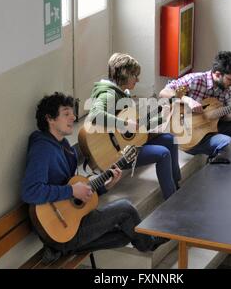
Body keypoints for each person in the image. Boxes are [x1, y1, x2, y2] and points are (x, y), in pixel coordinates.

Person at [21, 92, 167, 262]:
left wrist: (106, 186)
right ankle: (149, 244)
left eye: (73, 113)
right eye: (66, 114)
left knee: (125, 235)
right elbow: (30, 192)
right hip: (58, 229)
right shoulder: (42, 149)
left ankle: (62, 251)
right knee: (125, 209)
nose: (73, 117)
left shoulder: (63, 145)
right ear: (50, 119)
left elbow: (76, 196)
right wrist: (71, 191)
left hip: (70, 223)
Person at [88, 53, 181, 200]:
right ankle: (172, 200)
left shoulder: (123, 94)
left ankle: (177, 186)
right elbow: (95, 115)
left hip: (127, 145)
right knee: (163, 153)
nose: (138, 79)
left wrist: (162, 117)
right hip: (116, 153)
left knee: (170, 139)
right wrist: (124, 124)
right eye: (135, 75)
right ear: (125, 75)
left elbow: (137, 129)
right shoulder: (108, 95)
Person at [160, 51, 231, 164]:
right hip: (189, 135)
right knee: (227, 142)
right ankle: (219, 153)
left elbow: (222, 117)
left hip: (209, 128)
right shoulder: (195, 79)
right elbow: (164, 92)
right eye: (230, 79)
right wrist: (188, 100)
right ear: (218, 74)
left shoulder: (226, 90)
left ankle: (220, 154)